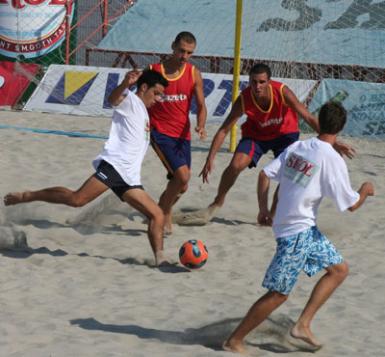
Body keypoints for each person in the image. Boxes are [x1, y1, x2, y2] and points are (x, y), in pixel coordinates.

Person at [223, 102, 374, 354]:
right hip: (296, 232)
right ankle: (234, 340)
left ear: (318, 121)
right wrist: (366, 190)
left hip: (303, 228)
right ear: (342, 126)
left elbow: (264, 175)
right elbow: (351, 205)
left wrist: (263, 208)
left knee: (339, 270)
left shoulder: (299, 145)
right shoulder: (331, 158)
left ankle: (302, 325)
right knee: (278, 294)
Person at [3, 69, 171, 267]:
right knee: (77, 200)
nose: (159, 98)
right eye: (157, 93)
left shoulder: (143, 111)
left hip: (130, 177)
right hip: (114, 167)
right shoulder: (130, 101)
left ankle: (160, 259)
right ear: (144, 87)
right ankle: (27, 196)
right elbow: (113, 98)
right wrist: (126, 83)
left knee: (157, 215)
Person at [200, 63, 354, 223]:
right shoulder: (244, 99)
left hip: (285, 135)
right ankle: (218, 200)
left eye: (261, 82)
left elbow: (308, 117)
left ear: (269, 81)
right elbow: (223, 130)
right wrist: (210, 158)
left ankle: (272, 215)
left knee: (288, 174)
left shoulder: (282, 91)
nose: (257, 86)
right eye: (254, 82)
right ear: (249, 81)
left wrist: (334, 142)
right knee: (236, 164)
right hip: (256, 135)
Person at [148, 31, 207, 234]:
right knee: (182, 176)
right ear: (173, 46)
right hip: (159, 133)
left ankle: (160, 208)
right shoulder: (153, 70)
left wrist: (201, 124)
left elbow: (201, 105)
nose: (184, 56)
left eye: (189, 53)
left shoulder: (193, 73)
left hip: (183, 136)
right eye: (181, 50)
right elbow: (137, 101)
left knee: (182, 185)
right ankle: (164, 214)